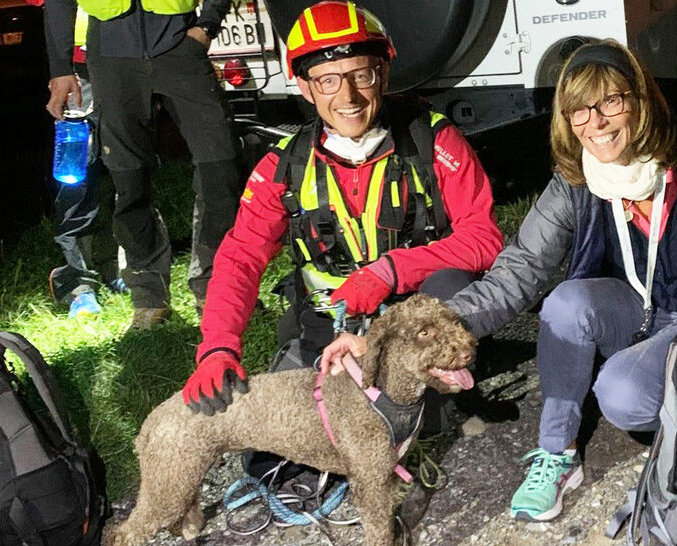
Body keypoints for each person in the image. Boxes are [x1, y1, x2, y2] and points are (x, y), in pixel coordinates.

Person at [323, 39, 677, 522]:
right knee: (566, 302)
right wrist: (389, 337)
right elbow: (516, 273)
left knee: (622, 396)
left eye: (611, 101)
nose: (597, 124)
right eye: (579, 112)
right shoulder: (576, 182)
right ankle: (558, 454)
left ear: (640, 99)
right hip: (634, 311)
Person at [181, 0, 503, 428]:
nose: (347, 96)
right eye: (328, 80)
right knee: (288, 434)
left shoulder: (433, 140)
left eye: (360, 75)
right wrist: (218, 348)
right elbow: (240, 258)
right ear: (306, 87)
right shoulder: (282, 167)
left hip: (414, 318)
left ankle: (435, 395)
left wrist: (389, 272)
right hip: (332, 322)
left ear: (382, 74)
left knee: (447, 295)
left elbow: (484, 239)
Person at [44, 0, 240, 328]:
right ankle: (148, 295)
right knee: (128, 181)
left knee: (221, 167)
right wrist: (60, 68)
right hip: (111, 56)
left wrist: (207, 25)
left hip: (180, 46)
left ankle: (216, 285)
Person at [35, 0, 124, 317]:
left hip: (129, 62)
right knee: (76, 177)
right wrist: (59, 69)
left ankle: (125, 269)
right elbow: (53, 6)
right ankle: (80, 286)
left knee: (129, 169)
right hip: (77, 71)